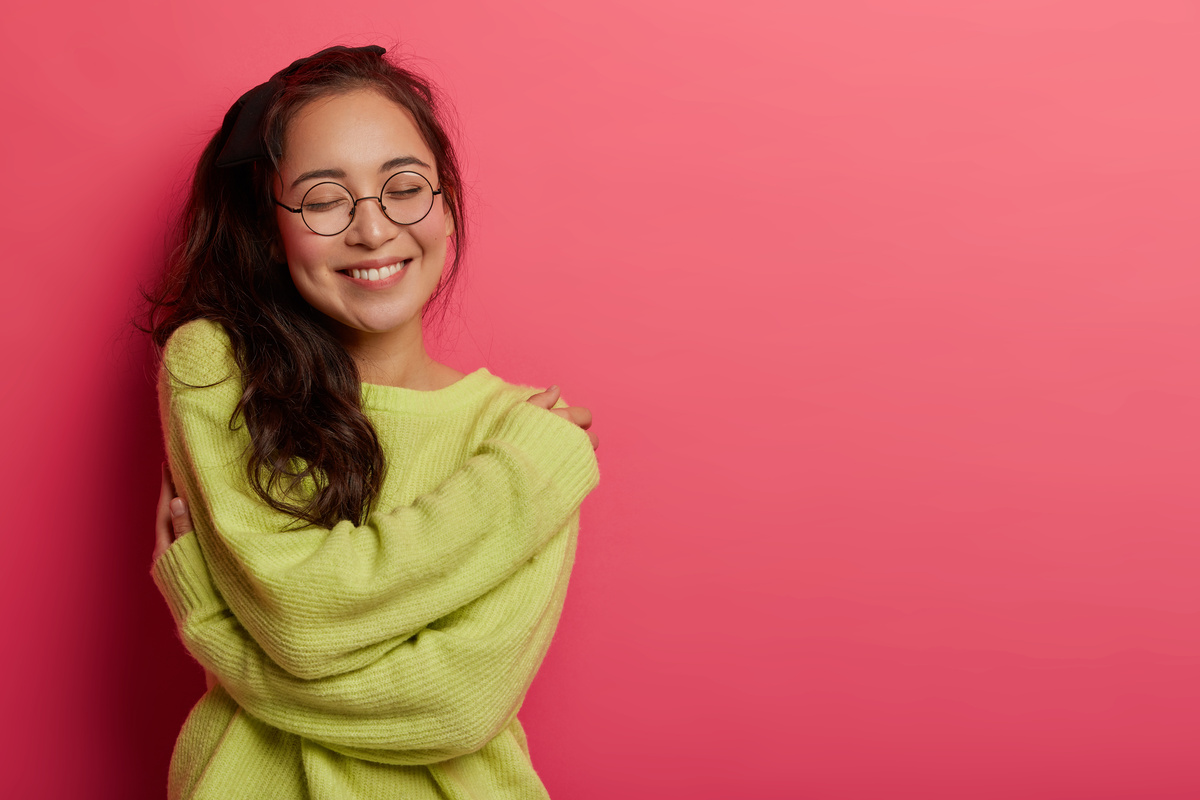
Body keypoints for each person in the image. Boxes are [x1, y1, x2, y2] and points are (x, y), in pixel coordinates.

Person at [144, 44, 600, 800]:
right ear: (272, 224)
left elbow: (454, 707)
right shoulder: (216, 366)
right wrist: (517, 485)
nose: (374, 229)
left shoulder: (523, 435)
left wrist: (212, 625)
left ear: (447, 203)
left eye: (405, 188)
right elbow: (298, 617)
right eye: (324, 200)